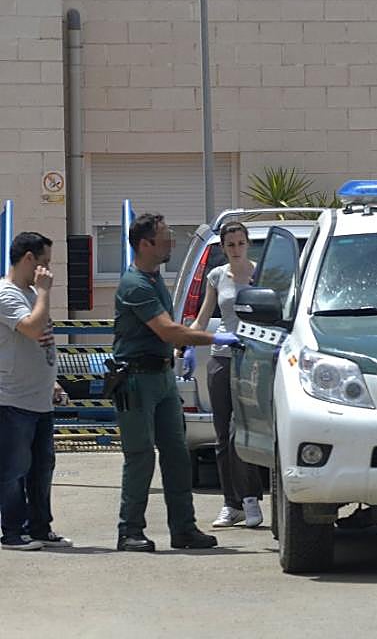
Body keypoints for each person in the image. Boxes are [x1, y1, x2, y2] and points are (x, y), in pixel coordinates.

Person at [112, 213, 239, 553]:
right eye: (165, 237)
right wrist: (216, 338)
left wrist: (184, 346)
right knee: (140, 456)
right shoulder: (135, 284)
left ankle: (183, 529)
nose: (171, 242)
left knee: (177, 454)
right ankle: (130, 531)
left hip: (162, 376)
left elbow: (172, 330)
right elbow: (167, 330)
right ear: (144, 244)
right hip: (137, 380)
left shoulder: (154, 279)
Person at [183, 222, 263, 529]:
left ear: (247, 244)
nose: (236, 249)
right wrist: (188, 343)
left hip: (251, 358)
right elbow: (204, 315)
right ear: (224, 248)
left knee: (240, 432)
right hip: (222, 358)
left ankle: (252, 499)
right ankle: (231, 504)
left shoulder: (261, 274)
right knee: (221, 435)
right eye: (230, 245)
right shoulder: (217, 276)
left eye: (240, 243)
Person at [0, 232, 71, 551]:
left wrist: (52, 379)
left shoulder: (32, 293)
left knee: (43, 467)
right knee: (14, 469)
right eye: (44, 262)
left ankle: (40, 528)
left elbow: (45, 340)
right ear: (28, 259)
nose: (47, 270)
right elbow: (31, 328)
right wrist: (43, 293)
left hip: (40, 398)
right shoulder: (6, 294)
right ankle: (13, 532)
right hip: (13, 399)